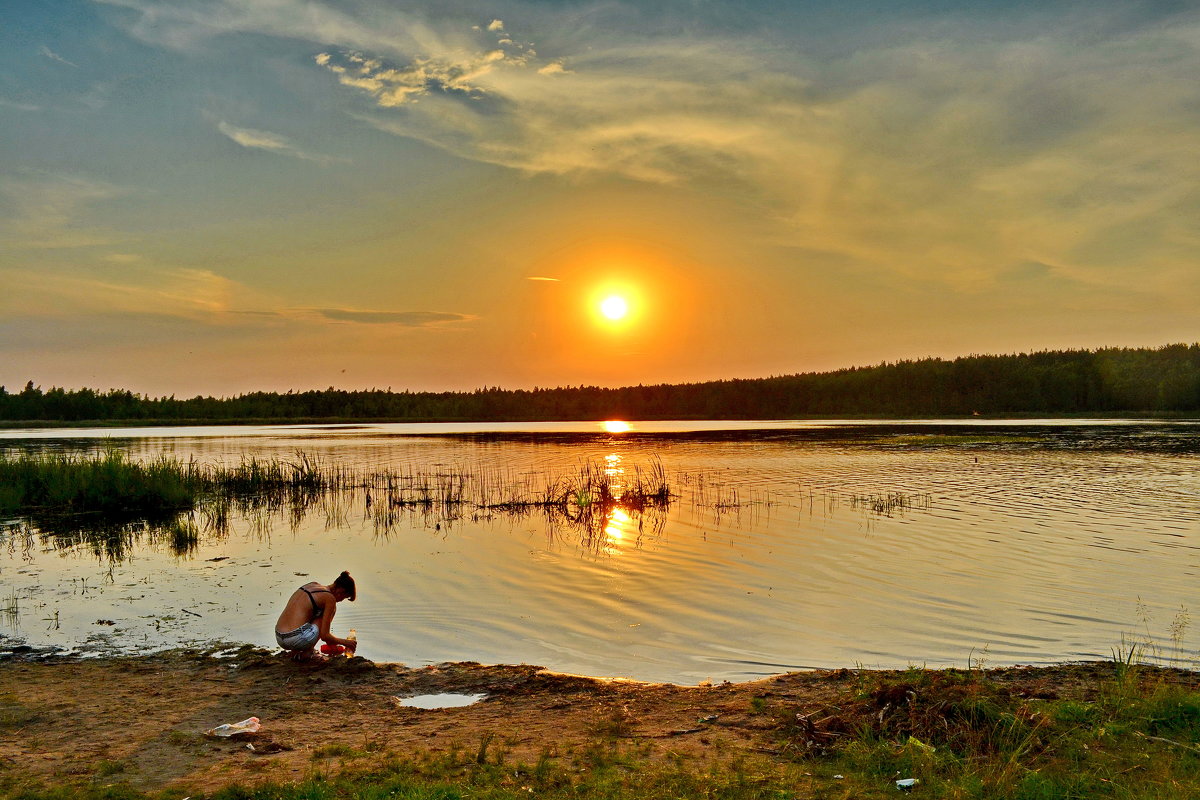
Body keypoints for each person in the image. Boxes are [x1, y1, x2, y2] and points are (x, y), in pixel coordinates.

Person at [275, 571, 357, 660]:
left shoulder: (312, 585)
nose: (341, 600)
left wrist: (332, 645)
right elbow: (325, 636)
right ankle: (308, 652)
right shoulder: (330, 599)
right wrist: (346, 642)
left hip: (279, 637)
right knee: (330, 611)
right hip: (295, 639)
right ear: (341, 591)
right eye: (344, 597)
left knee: (314, 612)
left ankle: (295, 652)